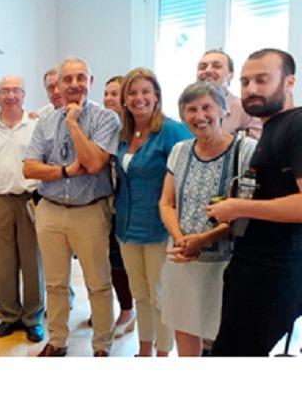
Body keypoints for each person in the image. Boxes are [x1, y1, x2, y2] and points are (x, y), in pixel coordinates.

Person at [207, 48, 302, 356]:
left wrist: (238, 207)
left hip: (274, 272)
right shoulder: (271, 129)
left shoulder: (296, 126)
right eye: (246, 82)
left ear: (289, 82)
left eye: (262, 80)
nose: (251, 89)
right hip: (253, 265)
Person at [23, 57, 120, 357]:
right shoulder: (44, 121)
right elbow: (29, 168)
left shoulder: (106, 120)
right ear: (58, 86)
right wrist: (64, 171)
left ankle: (102, 345)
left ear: (90, 82)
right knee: (54, 283)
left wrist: (73, 122)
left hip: (90, 211)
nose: (74, 84)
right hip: (50, 210)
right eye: (68, 79)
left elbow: (92, 163)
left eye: (81, 78)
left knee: (98, 283)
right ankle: (57, 340)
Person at [159, 82, 256, 356]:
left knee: (224, 334)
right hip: (181, 258)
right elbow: (166, 202)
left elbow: (248, 209)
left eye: (206, 107)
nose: (199, 116)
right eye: (191, 109)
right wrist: (181, 240)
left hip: (226, 263)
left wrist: (203, 240)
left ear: (223, 110)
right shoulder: (179, 150)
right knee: (184, 326)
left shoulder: (246, 149)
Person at [114, 67, 192, 357]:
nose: (139, 98)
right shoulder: (124, 133)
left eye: (146, 91)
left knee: (160, 296)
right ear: (125, 99)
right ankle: (143, 350)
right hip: (126, 228)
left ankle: (162, 352)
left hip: (158, 229)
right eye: (132, 92)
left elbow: (187, 174)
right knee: (140, 295)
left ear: (157, 96)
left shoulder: (171, 131)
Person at [0, 75, 44, 342]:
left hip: (30, 199)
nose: (10, 95)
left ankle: (32, 318)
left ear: (24, 95)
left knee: (32, 262)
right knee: (3, 262)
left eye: (16, 90)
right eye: (5, 91)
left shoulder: (36, 125)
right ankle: (9, 315)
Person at [102, 76, 136, 337]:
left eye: (115, 93)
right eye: (106, 93)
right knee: (112, 261)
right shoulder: (103, 127)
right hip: (107, 206)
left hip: (134, 207)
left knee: (133, 263)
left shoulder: (135, 131)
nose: (109, 98)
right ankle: (124, 309)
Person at [197, 49, 261, 139]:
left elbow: (255, 147)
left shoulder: (247, 109)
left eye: (216, 66)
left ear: (230, 76)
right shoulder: (189, 108)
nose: (207, 70)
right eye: (202, 67)